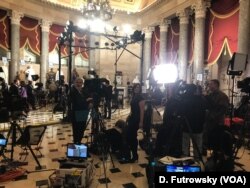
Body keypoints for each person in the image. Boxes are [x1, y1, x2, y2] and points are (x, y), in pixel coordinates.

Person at [126, 83, 145, 162]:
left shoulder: (141, 97)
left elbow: (142, 111)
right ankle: (133, 155)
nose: (137, 89)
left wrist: (141, 122)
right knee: (129, 136)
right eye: (136, 87)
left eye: (138, 88)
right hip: (132, 118)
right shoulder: (134, 96)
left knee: (133, 137)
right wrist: (129, 115)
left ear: (140, 89)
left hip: (136, 119)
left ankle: (135, 156)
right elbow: (132, 108)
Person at [71, 77, 93, 144]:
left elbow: (90, 97)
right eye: (77, 82)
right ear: (74, 83)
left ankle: (79, 141)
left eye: (80, 82)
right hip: (76, 112)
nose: (78, 84)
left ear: (82, 83)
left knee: (82, 128)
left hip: (84, 112)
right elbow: (77, 102)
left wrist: (90, 102)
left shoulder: (84, 90)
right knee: (76, 129)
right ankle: (76, 142)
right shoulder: (72, 91)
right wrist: (86, 100)